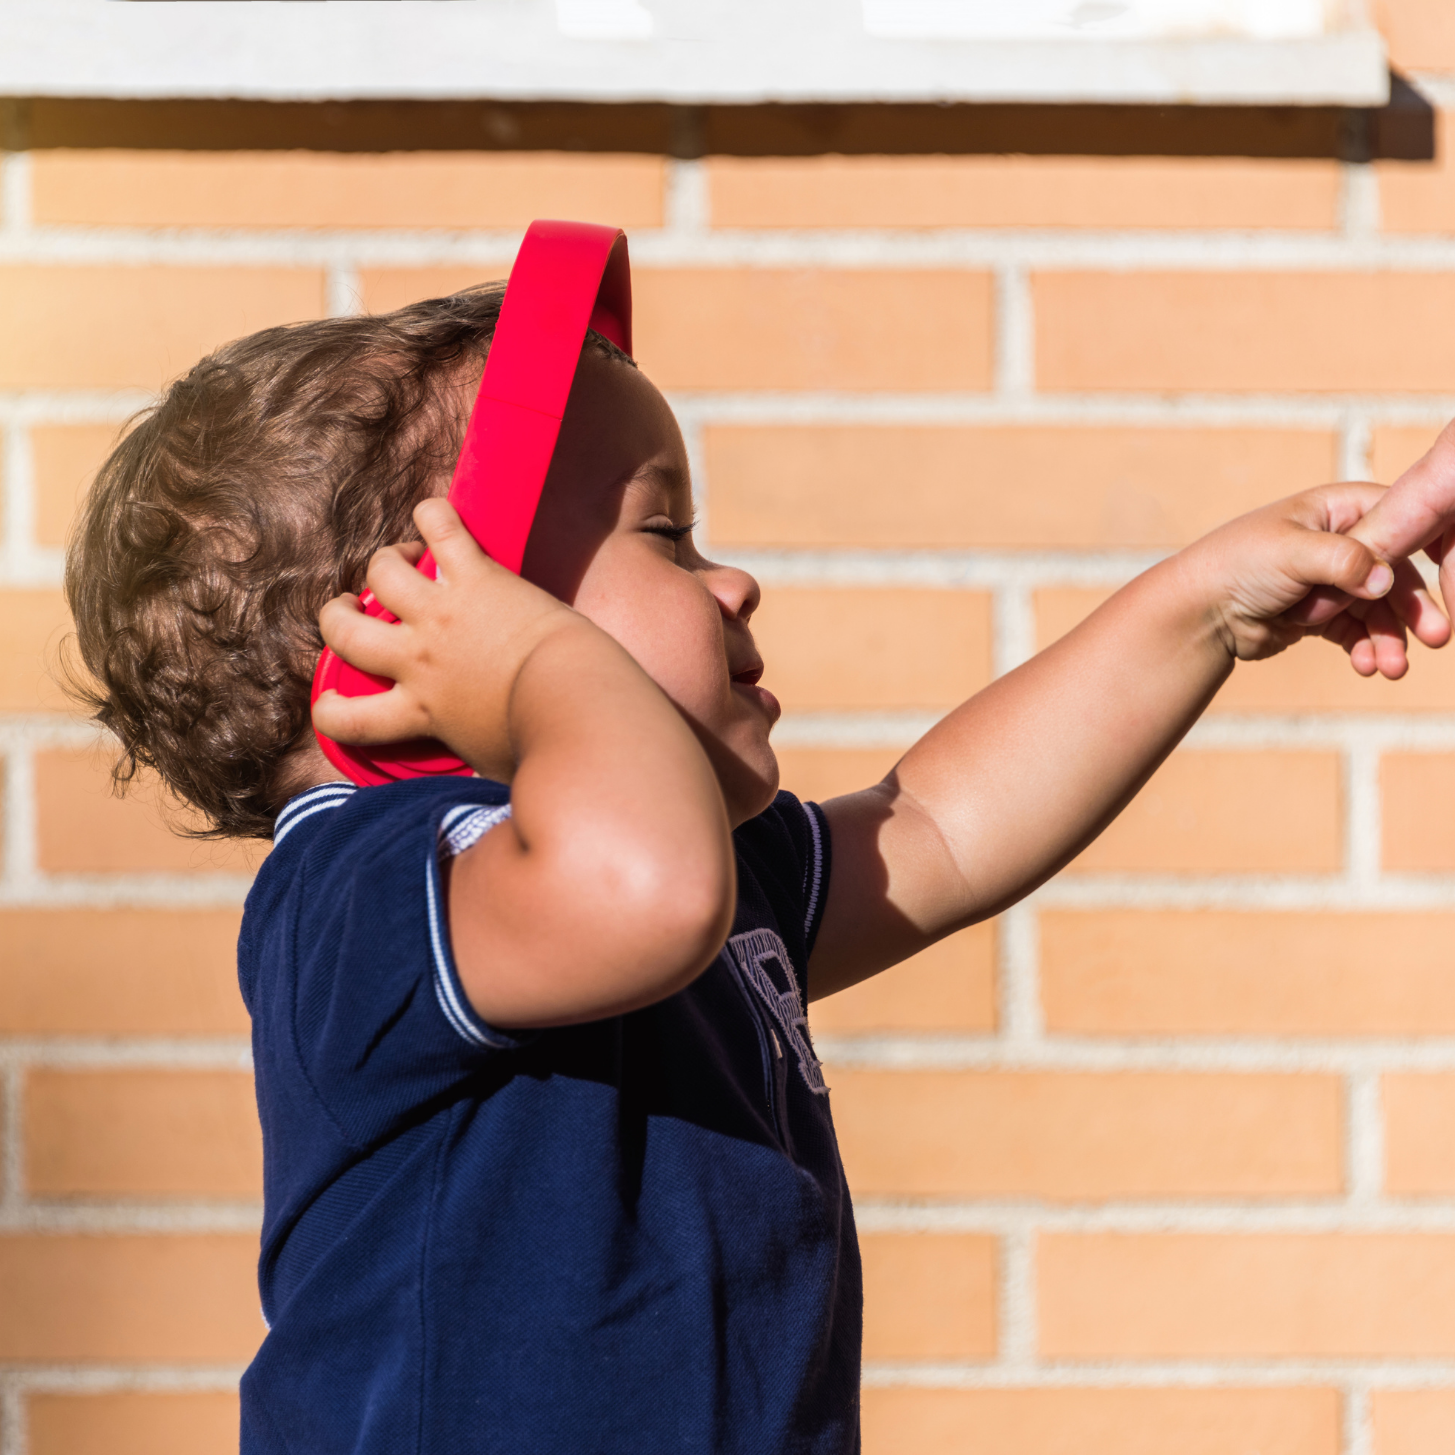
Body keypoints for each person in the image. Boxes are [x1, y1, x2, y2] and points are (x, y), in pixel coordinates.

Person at [63, 283, 1447, 1455]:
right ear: (425, 628)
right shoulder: (369, 887)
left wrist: (1205, 600)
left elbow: (942, 829)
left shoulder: (664, 860)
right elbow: (645, 891)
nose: (733, 584)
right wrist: (547, 669)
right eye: (664, 537)